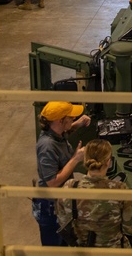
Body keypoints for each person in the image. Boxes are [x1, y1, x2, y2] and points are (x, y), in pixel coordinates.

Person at [56, 138, 132, 248]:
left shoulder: (70, 187)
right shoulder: (120, 189)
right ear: (108, 162)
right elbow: (130, 229)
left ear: (85, 159)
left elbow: (63, 221)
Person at [34, 101, 91, 246]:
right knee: (56, 248)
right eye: (70, 117)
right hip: (50, 206)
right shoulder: (47, 146)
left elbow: (64, 131)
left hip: (60, 201)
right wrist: (76, 158)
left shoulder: (55, 132)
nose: (73, 118)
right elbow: (52, 182)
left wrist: (77, 123)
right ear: (60, 121)